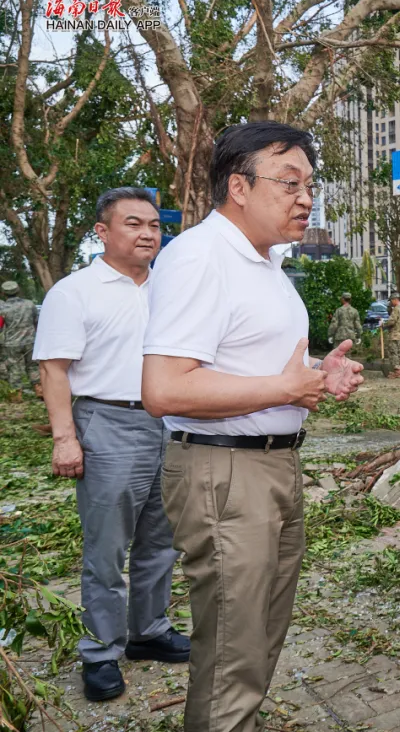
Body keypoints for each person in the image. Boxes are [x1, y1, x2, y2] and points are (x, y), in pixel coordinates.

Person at [141, 121, 364, 732]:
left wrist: (319, 373)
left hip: (272, 465)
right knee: (232, 647)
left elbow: (247, 363)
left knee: (261, 629)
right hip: (223, 471)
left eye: (310, 184)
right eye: (288, 182)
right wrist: (285, 388)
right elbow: (164, 388)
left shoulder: (265, 264)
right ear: (238, 186)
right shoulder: (198, 256)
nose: (305, 197)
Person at [33, 187, 189, 703]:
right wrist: (65, 439)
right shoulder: (74, 292)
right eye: (133, 224)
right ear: (103, 231)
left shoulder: (168, 286)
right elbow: (54, 371)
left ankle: (149, 632)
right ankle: (100, 651)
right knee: (106, 550)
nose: (147, 233)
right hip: (107, 422)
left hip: (168, 422)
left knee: (160, 541)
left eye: (153, 225)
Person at [0, 280, 39, 398]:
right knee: (33, 366)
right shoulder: (29, 304)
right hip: (30, 341)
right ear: (18, 291)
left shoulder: (3, 308)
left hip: (11, 343)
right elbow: (37, 322)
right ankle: (40, 390)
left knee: (13, 369)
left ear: (3, 293)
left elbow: (1, 326)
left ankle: (16, 396)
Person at [382, 293, 400, 378]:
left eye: (391, 301)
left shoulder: (396, 309)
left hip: (395, 335)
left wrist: (383, 324)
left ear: (395, 300)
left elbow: (391, 321)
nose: (391, 303)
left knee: (394, 353)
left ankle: (397, 371)